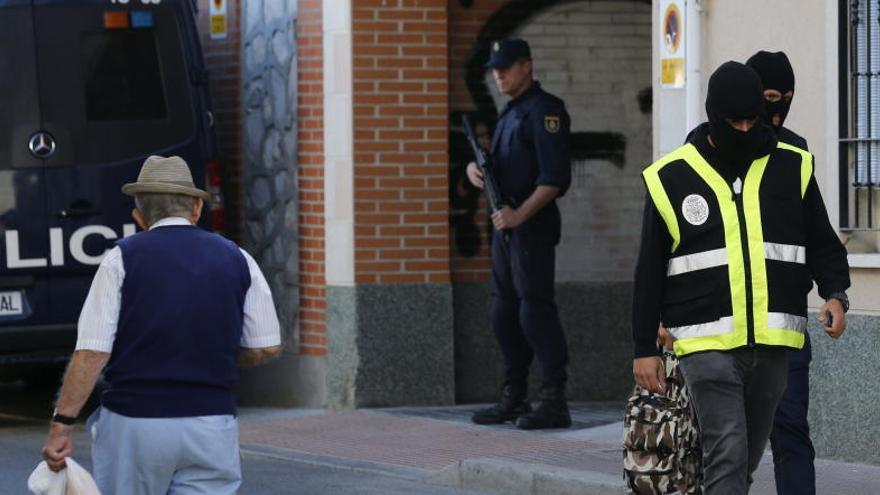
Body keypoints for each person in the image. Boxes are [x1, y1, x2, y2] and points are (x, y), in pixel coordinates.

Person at [631, 61, 850, 494]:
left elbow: (822, 242)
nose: (747, 129)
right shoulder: (671, 177)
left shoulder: (792, 165)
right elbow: (649, 269)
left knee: (744, 459)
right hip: (705, 343)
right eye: (736, 121)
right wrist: (643, 348)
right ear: (714, 117)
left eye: (754, 119)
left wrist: (835, 294)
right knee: (728, 450)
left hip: (773, 343)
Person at [41, 155, 282, 494]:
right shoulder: (238, 258)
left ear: (139, 216)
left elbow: (92, 353)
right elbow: (264, 345)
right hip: (211, 423)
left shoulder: (120, 259)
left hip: (136, 424)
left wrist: (62, 426)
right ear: (197, 208)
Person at [466, 38, 573, 430]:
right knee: (504, 311)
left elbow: (554, 179)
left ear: (526, 66)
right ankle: (513, 395)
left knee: (535, 310)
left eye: (506, 67)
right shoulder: (510, 113)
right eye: (495, 68)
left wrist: (518, 216)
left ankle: (553, 399)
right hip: (505, 227)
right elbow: (499, 166)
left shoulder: (546, 112)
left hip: (531, 228)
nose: (498, 75)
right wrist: (473, 172)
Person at [746, 50, 832, 495]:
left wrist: (835, 290)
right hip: (726, 328)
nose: (777, 114)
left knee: (791, 430)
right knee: (726, 444)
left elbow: (817, 231)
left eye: (787, 101)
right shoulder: (707, 146)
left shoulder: (796, 154)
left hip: (785, 323)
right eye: (770, 99)